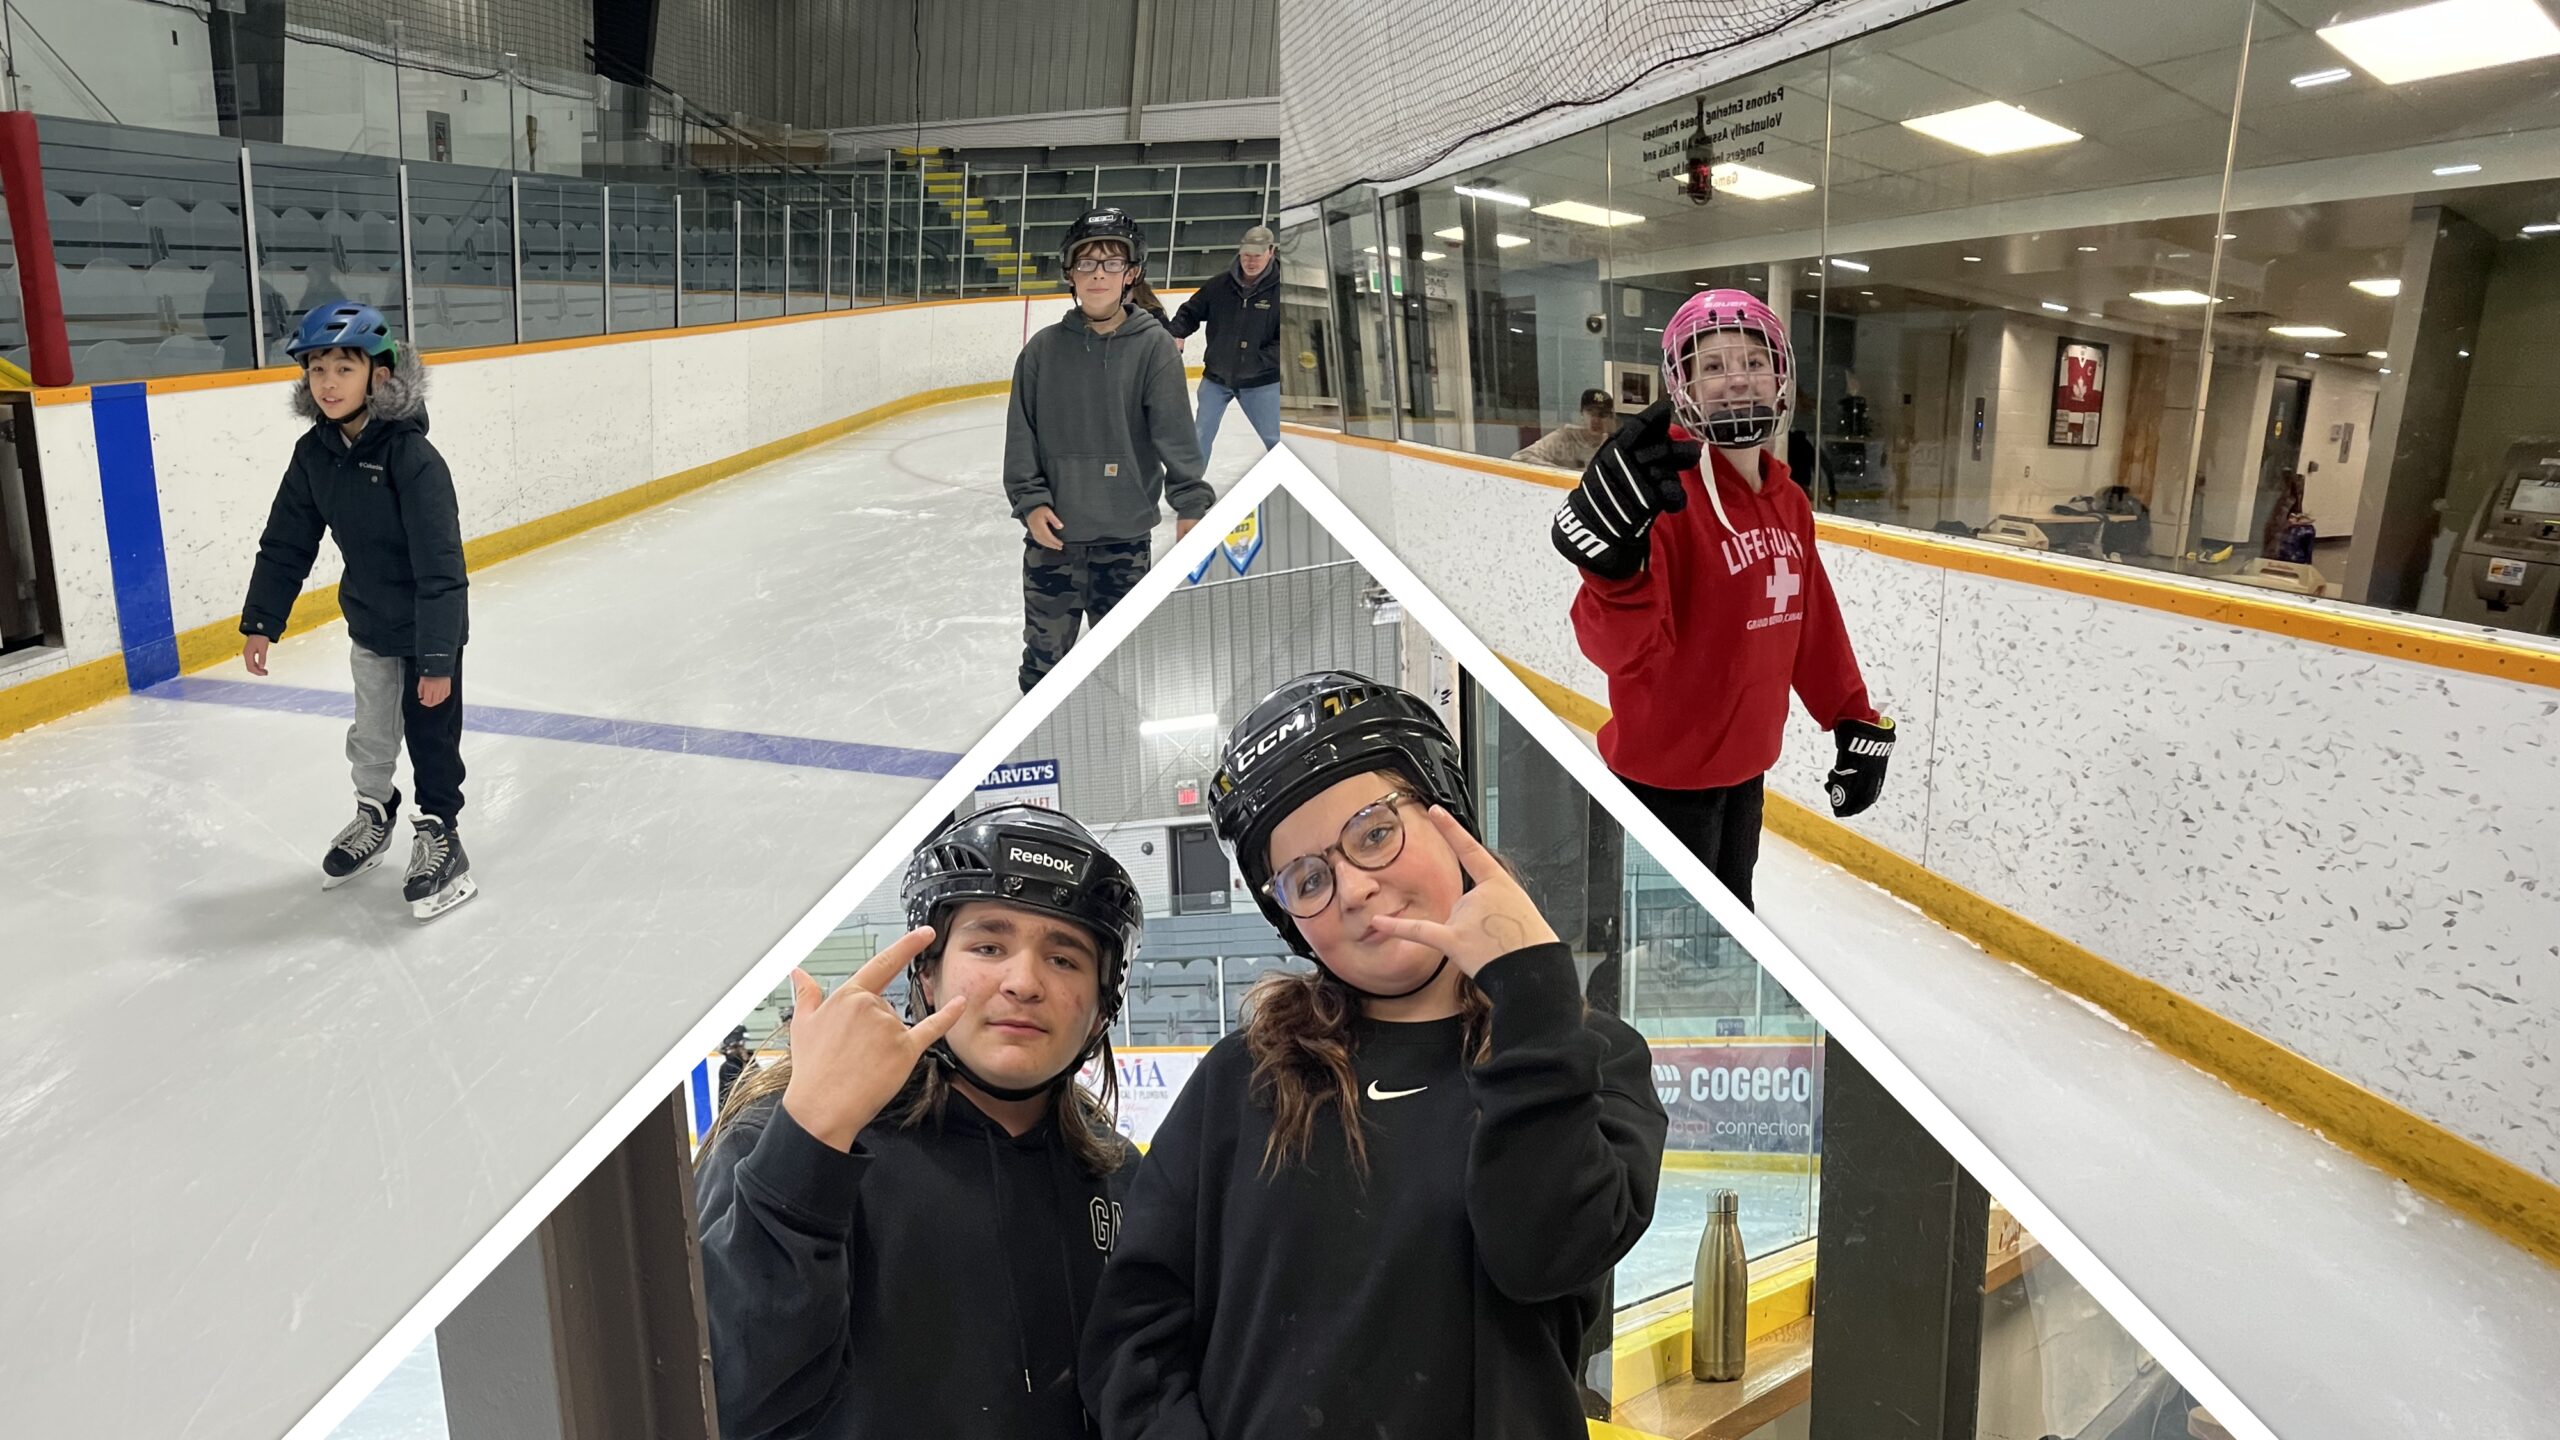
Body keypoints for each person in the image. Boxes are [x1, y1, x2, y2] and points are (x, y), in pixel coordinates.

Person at [1080, 672, 1668, 1440]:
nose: (1353, 888)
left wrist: (1530, 1000)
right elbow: (1134, 1334)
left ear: (1447, 820)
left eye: (1374, 832)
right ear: (1289, 919)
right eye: (1309, 879)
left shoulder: (1586, 1056)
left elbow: (1546, 1256)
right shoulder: (1240, 1079)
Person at [695, 802, 1146, 1440]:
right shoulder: (785, 1140)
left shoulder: (1120, 1176)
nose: (1023, 981)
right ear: (926, 976)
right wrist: (806, 1148)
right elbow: (723, 1404)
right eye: (988, 944)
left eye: (1065, 958)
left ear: (1104, 1005)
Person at [1548, 289, 1893, 910]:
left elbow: (1808, 618)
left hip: (1747, 766)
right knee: (1657, 945)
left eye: (1753, 363)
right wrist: (1610, 572)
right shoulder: (1660, 498)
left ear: (1779, 378)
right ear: (1686, 387)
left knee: (1733, 919)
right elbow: (1618, 651)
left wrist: (1852, 715)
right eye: (1712, 367)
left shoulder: (1789, 502)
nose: (1736, 380)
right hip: (1662, 778)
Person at [240, 301, 475, 921]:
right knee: (370, 736)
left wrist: (436, 659)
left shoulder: (413, 459)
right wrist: (263, 619)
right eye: (318, 368)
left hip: (429, 630)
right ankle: (375, 813)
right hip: (370, 624)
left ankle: (441, 835)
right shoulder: (315, 453)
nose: (328, 383)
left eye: (344, 367)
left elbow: (442, 569)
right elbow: (288, 540)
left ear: (380, 374)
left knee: (431, 740)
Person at [1006, 207, 1211, 694]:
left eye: (1112, 263)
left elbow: (1175, 433)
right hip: (1052, 544)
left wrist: (1192, 505)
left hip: (1123, 543)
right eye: (1086, 263)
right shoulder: (1041, 351)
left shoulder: (1153, 347)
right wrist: (1031, 503)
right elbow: (1022, 437)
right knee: (1043, 669)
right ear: (1070, 273)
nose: (1098, 274)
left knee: (1125, 670)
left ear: (1132, 274)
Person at [1164, 225, 1282, 455]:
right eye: (1246, 254)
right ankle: (1190, 488)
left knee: (1275, 439)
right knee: (1198, 437)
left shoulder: (1280, 291)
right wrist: (1176, 332)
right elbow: (1190, 312)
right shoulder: (1219, 286)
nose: (1251, 261)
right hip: (1216, 379)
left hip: (1262, 382)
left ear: (1271, 252)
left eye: (1257, 255)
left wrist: (1256, 361)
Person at [1512, 387, 1618, 471]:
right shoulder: (1564, 437)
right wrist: (1564, 472)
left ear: (1609, 418)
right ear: (1582, 414)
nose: (1596, 420)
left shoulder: (1611, 445)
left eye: (1602, 414)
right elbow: (1520, 458)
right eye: (1591, 412)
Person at [716, 1026, 755, 1110]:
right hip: (735, 1111)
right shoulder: (729, 1067)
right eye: (738, 1047)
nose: (743, 1049)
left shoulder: (743, 1063)